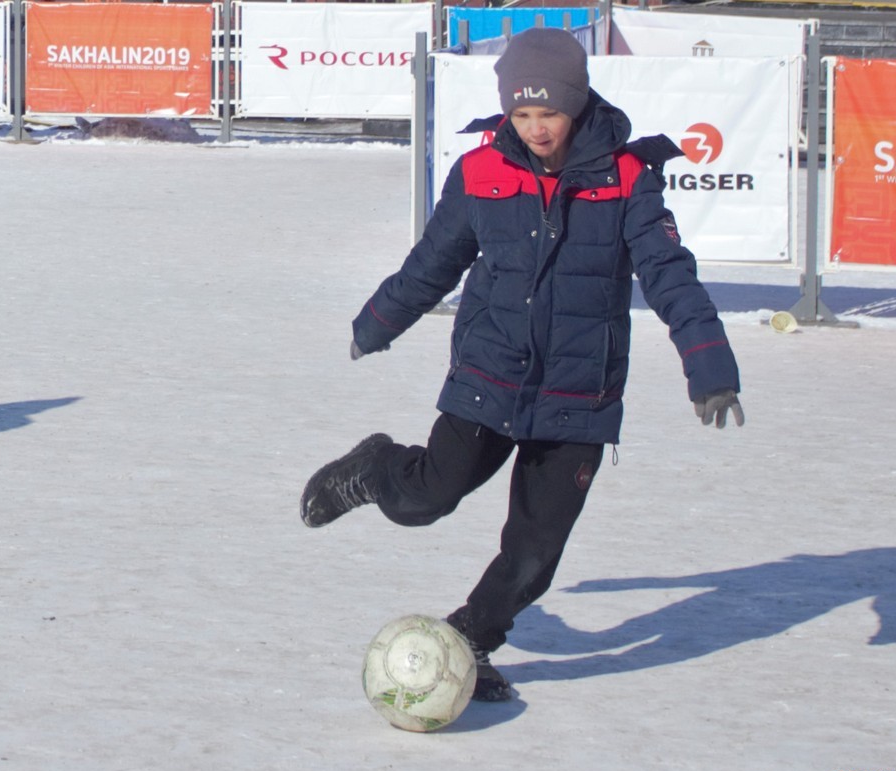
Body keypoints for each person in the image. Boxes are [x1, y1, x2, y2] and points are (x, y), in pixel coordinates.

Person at [300, 28, 745, 703]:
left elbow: (669, 276)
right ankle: (374, 468)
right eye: (522, 114)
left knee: (535, 550)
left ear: (579, 103)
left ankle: (471, 640)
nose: (537, 128)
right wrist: (379, 320)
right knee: (424, 500)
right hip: (489, 377)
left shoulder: (627, 179)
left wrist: (710, 365)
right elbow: (435, 261)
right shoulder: (481, 172)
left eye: (551, 113)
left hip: (579, 395)